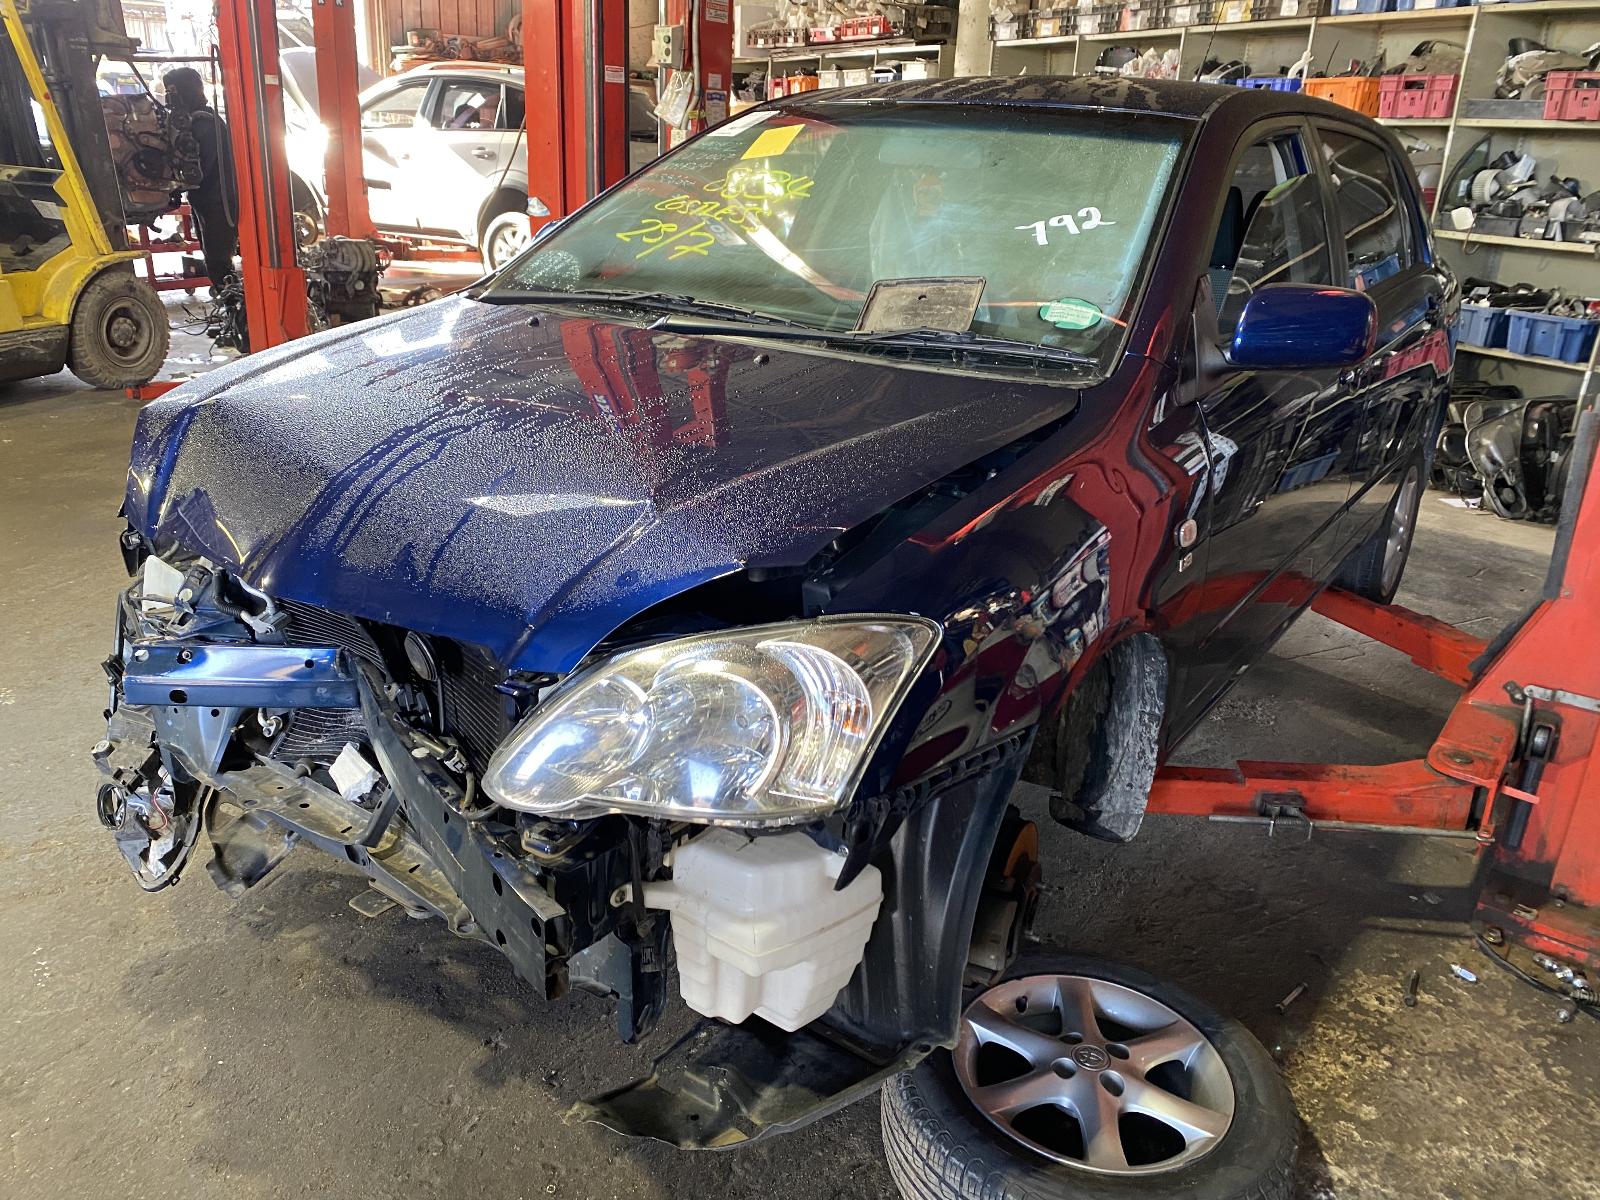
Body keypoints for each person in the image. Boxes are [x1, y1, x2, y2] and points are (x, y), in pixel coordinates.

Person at [161, 68, 238, 292]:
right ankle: (228, 298)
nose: (169, 97)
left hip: (218, 202)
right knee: (212, 257)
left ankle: (231, 301)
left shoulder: (204, 122)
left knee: (218, 261)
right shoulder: (193, 122)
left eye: (173, 91)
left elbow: (201, 168)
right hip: (205, 201)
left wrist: (173, 184)